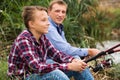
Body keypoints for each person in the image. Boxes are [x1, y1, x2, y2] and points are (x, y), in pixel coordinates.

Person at [7, 6, 88, 80]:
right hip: (25, 77)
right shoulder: (23, 40)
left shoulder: (42, 37)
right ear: (31, 24)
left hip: (38, 74)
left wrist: (73, 60)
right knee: (56, 74)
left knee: (78, 63)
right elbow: (37, 67)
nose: (48, 23)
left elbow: (57, 55)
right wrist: (68, 66)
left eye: (47, 19)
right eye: (43, 20)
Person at [46, 0, 101, 79]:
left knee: (77, 59)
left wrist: (81, 57)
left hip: (55, 61)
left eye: (63, 12)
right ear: (49, 11)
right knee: (77, 60)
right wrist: (89, 51)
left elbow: (64, 51)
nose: (60, 15)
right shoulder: (49, 27)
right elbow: (65, 49)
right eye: (57, 11)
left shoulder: (58, 26)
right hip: (46, 65)